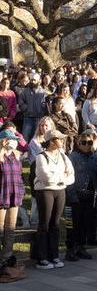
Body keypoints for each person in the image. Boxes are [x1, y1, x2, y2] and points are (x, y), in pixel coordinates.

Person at [34, 130, 75, 270]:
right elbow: (45, 177)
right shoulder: (41, 157)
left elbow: (71, 176)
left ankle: (54, 255)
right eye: (59, 139)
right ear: (51, 141)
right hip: (45, 192)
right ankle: (42, 257)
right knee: (44, 223)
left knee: (55, 224)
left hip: (60, 191)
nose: (62, 141)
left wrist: (60, 178)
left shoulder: (63, 156)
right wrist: (61, 177)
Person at [65, 130, 97, 261]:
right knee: (73, 225)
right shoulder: (73, 157)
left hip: (90, 195)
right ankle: (71, 249)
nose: (87, 145)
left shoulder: (95, 157)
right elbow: (68, 178)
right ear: (78, 143)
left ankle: (81, 247)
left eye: (90, 143)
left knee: (85, 223)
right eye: (84, 143)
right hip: (75, 195)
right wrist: (71, 196)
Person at [0, 130, 25, 264]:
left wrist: (21, 192)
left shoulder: (16, 156)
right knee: (0, 228)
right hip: (1, 196)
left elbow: (20, 176)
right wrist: (1, 149)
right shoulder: (0, 156)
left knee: (10, 228)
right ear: (3, 141)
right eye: (10, 139)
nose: (13, 142)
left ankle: (7, 256)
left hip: (14, 196)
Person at [18, 73, 47, 142]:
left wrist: (42, 109)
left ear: (38, 81)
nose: (32, 82)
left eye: (34, 80)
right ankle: (25, 152)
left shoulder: (43, 92)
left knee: (36, 139)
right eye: (31, 80)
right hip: (28, 118)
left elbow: (46, 104)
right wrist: (27, 109)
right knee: (25, 138)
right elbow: (20, 102)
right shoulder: (25, 91)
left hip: (39, 119)